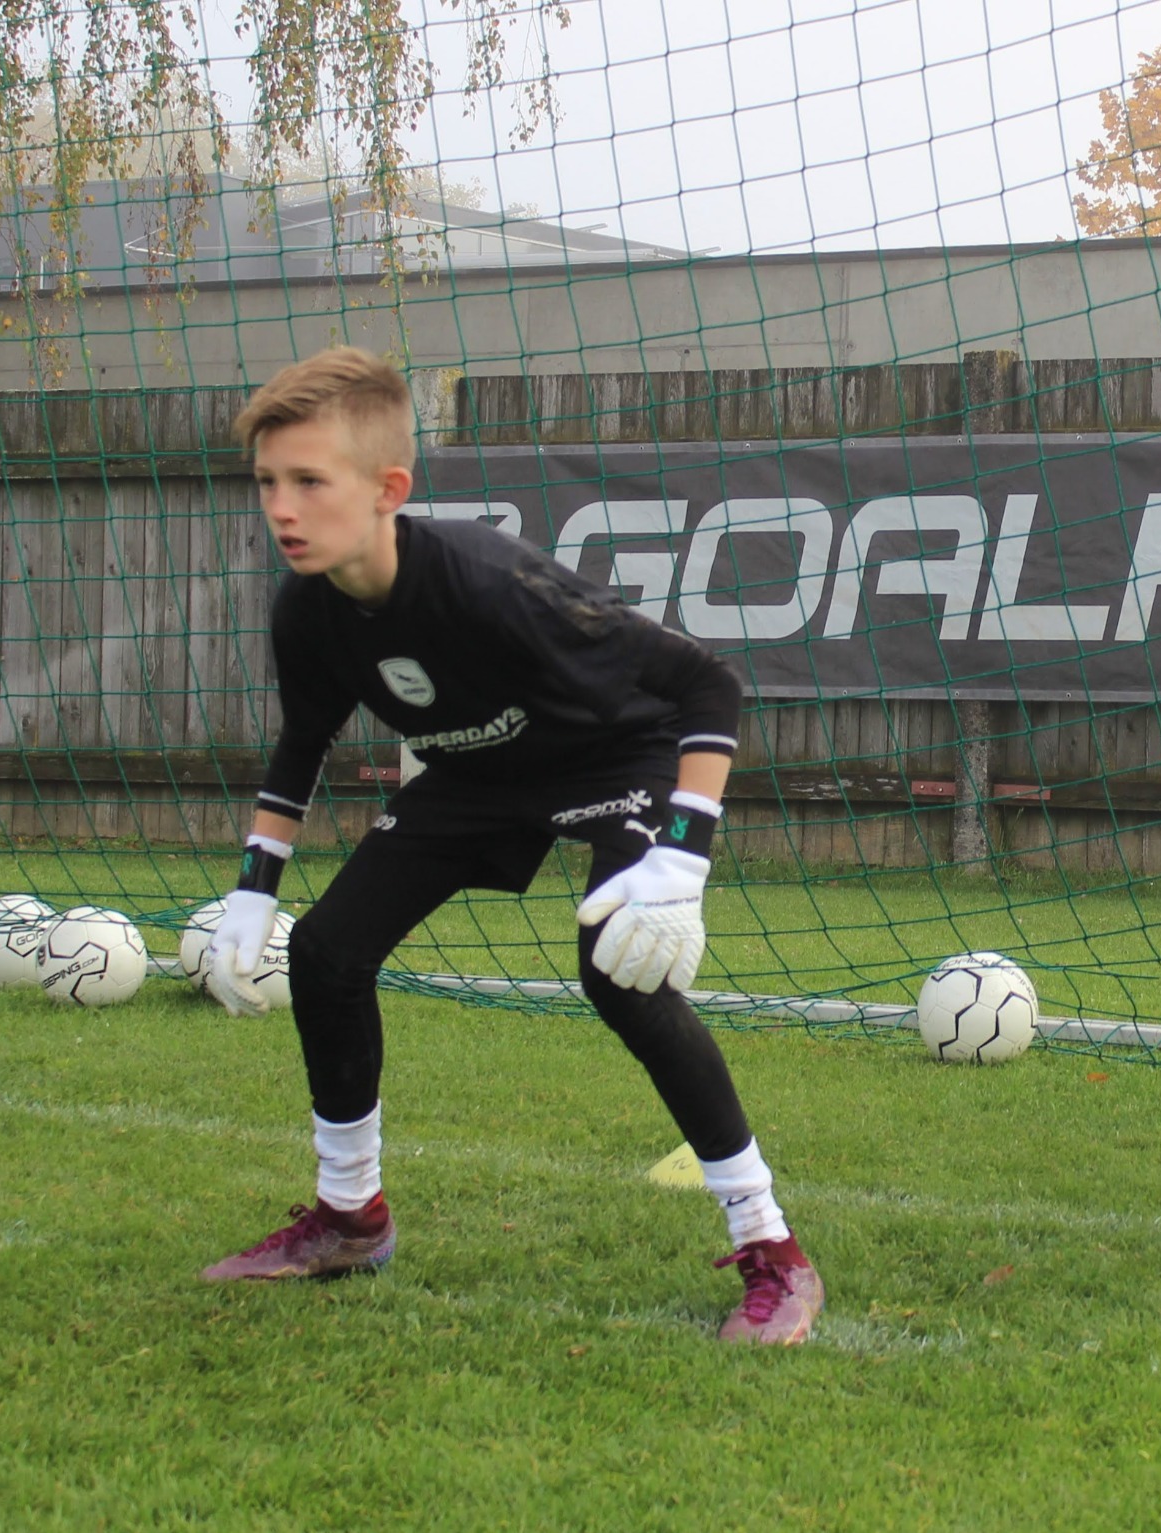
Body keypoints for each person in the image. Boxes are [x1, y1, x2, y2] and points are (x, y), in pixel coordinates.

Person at [192, 346, 820, 1345]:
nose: (283, 507)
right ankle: (351, 1217)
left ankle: (773, 1248)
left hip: (613, 754)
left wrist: (682, 860)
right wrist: (252, 891)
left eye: (309, 481)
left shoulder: (493, 583)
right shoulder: (306, 612)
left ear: (388, 488)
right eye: (269, 482)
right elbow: (302, 744)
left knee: (621, 974)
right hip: (479, 777)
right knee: (325, 954)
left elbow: (708, 687)